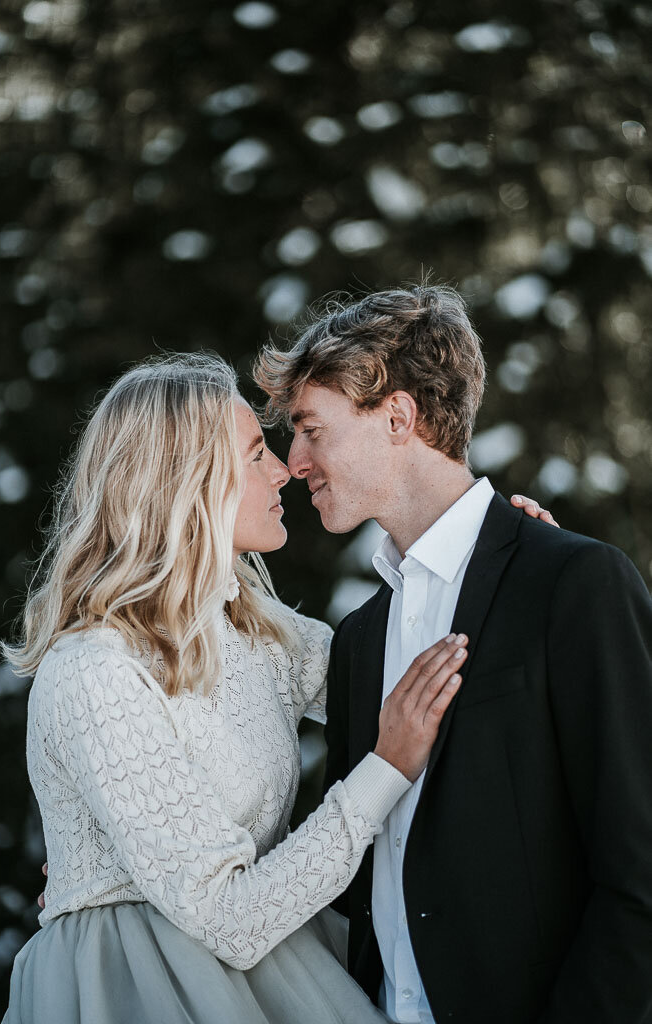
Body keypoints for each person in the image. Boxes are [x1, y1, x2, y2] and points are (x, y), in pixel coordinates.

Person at [1, 352, 490, 1024]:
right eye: (257, 451)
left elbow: (420, 679)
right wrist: (386, 769)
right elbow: (228, 917)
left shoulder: (262, 636)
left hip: (274, 970)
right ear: (186, 484)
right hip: (131, 987)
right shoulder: (94, 669)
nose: (285, 469)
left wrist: (503, 564)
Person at [253, 283, 652, 1024]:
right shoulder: (359, 639)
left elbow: (638, 872)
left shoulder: (571, 583)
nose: (293, 461)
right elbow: (347, 875)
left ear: (397, 416)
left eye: (310, 429)